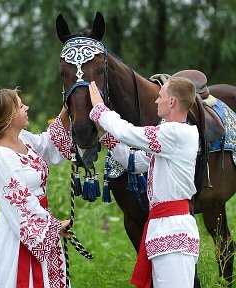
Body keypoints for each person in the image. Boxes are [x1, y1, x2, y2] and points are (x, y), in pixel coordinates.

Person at [88, 78, 200, 288]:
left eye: (160, 96)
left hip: (173, 228)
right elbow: (133, 162)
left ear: (172, 102)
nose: (157, 101)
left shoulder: (175, 133)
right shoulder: (169, 140)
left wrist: (100, 110)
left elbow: (129, 132)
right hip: (163, 227)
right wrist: (106, 132)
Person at [0, 88, 72, 288]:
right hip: (19, 232)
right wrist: (54, 226)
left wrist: (67, 108)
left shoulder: (23, 138)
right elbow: (20, 201)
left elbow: (48, 145)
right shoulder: (0, 156)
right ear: (8, 117)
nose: (26, 107)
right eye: (20, 105)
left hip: (42, 220)